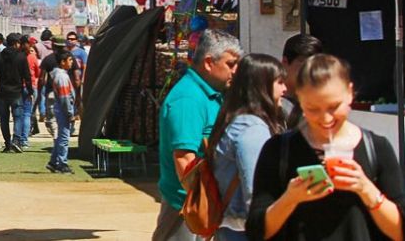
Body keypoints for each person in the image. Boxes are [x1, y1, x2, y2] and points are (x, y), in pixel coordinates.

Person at [247, 54, 405, 240]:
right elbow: (256, 231)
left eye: (334, 106)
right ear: (300, 99)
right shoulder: (279, 150)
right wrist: (290, 199)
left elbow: (399, 231)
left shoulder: (376, 148)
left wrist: (367, 190)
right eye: (313, 109)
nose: (326, 118)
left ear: (350, 93)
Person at [153, 30, 242, 241]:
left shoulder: (208, 94)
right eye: (231, 64)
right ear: (209, 63)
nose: (236, 71)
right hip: (188, 209)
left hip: (201, 206)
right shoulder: (188, 99)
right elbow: (185, 162)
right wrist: (204, 207)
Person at [209, 54, 287, 240]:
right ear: (262, 86)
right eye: (279, 82)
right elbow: (255, 190)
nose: (285, 89)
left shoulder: (236, 119)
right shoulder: (251, 128)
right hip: (244, 230)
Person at [0, 33, 33, 153]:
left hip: (2, 92)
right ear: (15, 43)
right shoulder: (21, 57)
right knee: (18, 117)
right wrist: (30, 91)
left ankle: (7, 143)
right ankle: (16, 140)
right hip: (16, 92)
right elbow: (27, 76)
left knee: (4, 118)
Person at [279, 33, 323, 128]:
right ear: (285, 62)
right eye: (304, 65)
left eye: (315, 66)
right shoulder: (275, 102)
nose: (309, 72)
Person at [46, 50, 76, 174]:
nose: (72, 62)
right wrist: (70, 113)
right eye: (70, 60)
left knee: (61, 137)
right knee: (64, 137)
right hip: (63, 109)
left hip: (60, 108)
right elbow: (64, 97)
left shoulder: (60, 75)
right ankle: (62, 163)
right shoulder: (62, 76)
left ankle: (53, 162)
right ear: (62, 62)